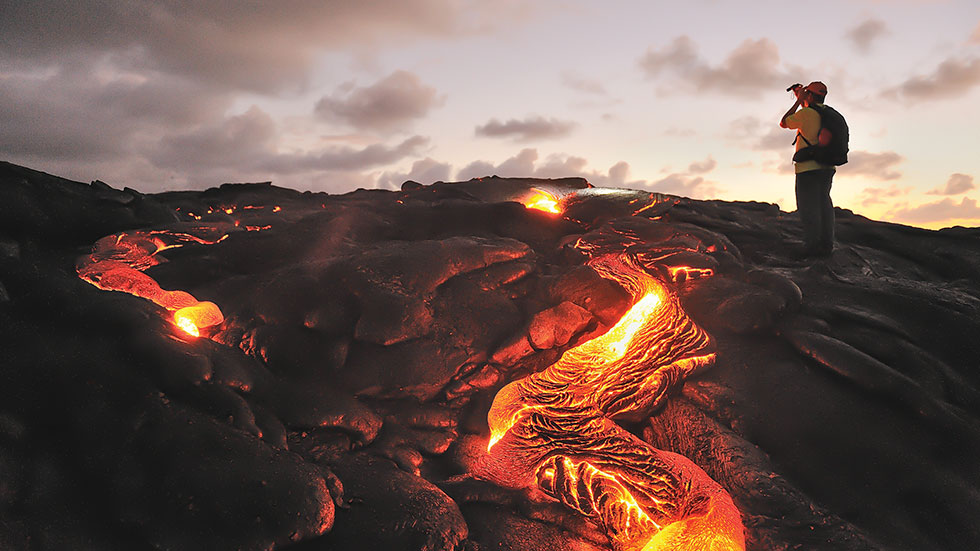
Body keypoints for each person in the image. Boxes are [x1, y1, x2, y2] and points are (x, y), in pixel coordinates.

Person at [780, 81, 835, 257]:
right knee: (824, 205)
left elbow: (784, 122)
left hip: (807, 169)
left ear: (810, 95)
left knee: (808, 208)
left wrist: (798, 101)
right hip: (827, 167)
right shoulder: (826, 114)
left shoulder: (806, 114)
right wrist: (803, 99)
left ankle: (811, 249)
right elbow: (811, 114)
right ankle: (827, 246)